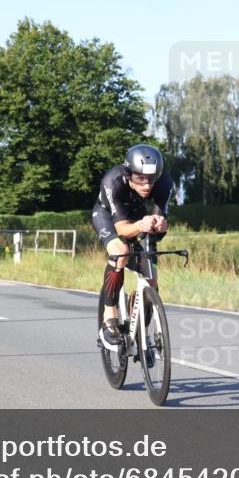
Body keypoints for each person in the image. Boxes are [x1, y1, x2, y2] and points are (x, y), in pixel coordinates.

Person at [92, 144, 174, 352]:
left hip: (139, 216)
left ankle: (138, 325)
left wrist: (161, 225)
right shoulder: (113, 181)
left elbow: (159, 223)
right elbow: (121, 229)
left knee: (152, 279)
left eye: (151, 178)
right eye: (140, 178)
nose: (147, 185)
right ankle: (109, 316)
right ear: (129, 174)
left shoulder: (164, 183)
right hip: (108, 217)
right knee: (121, 251)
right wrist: (140, 225)